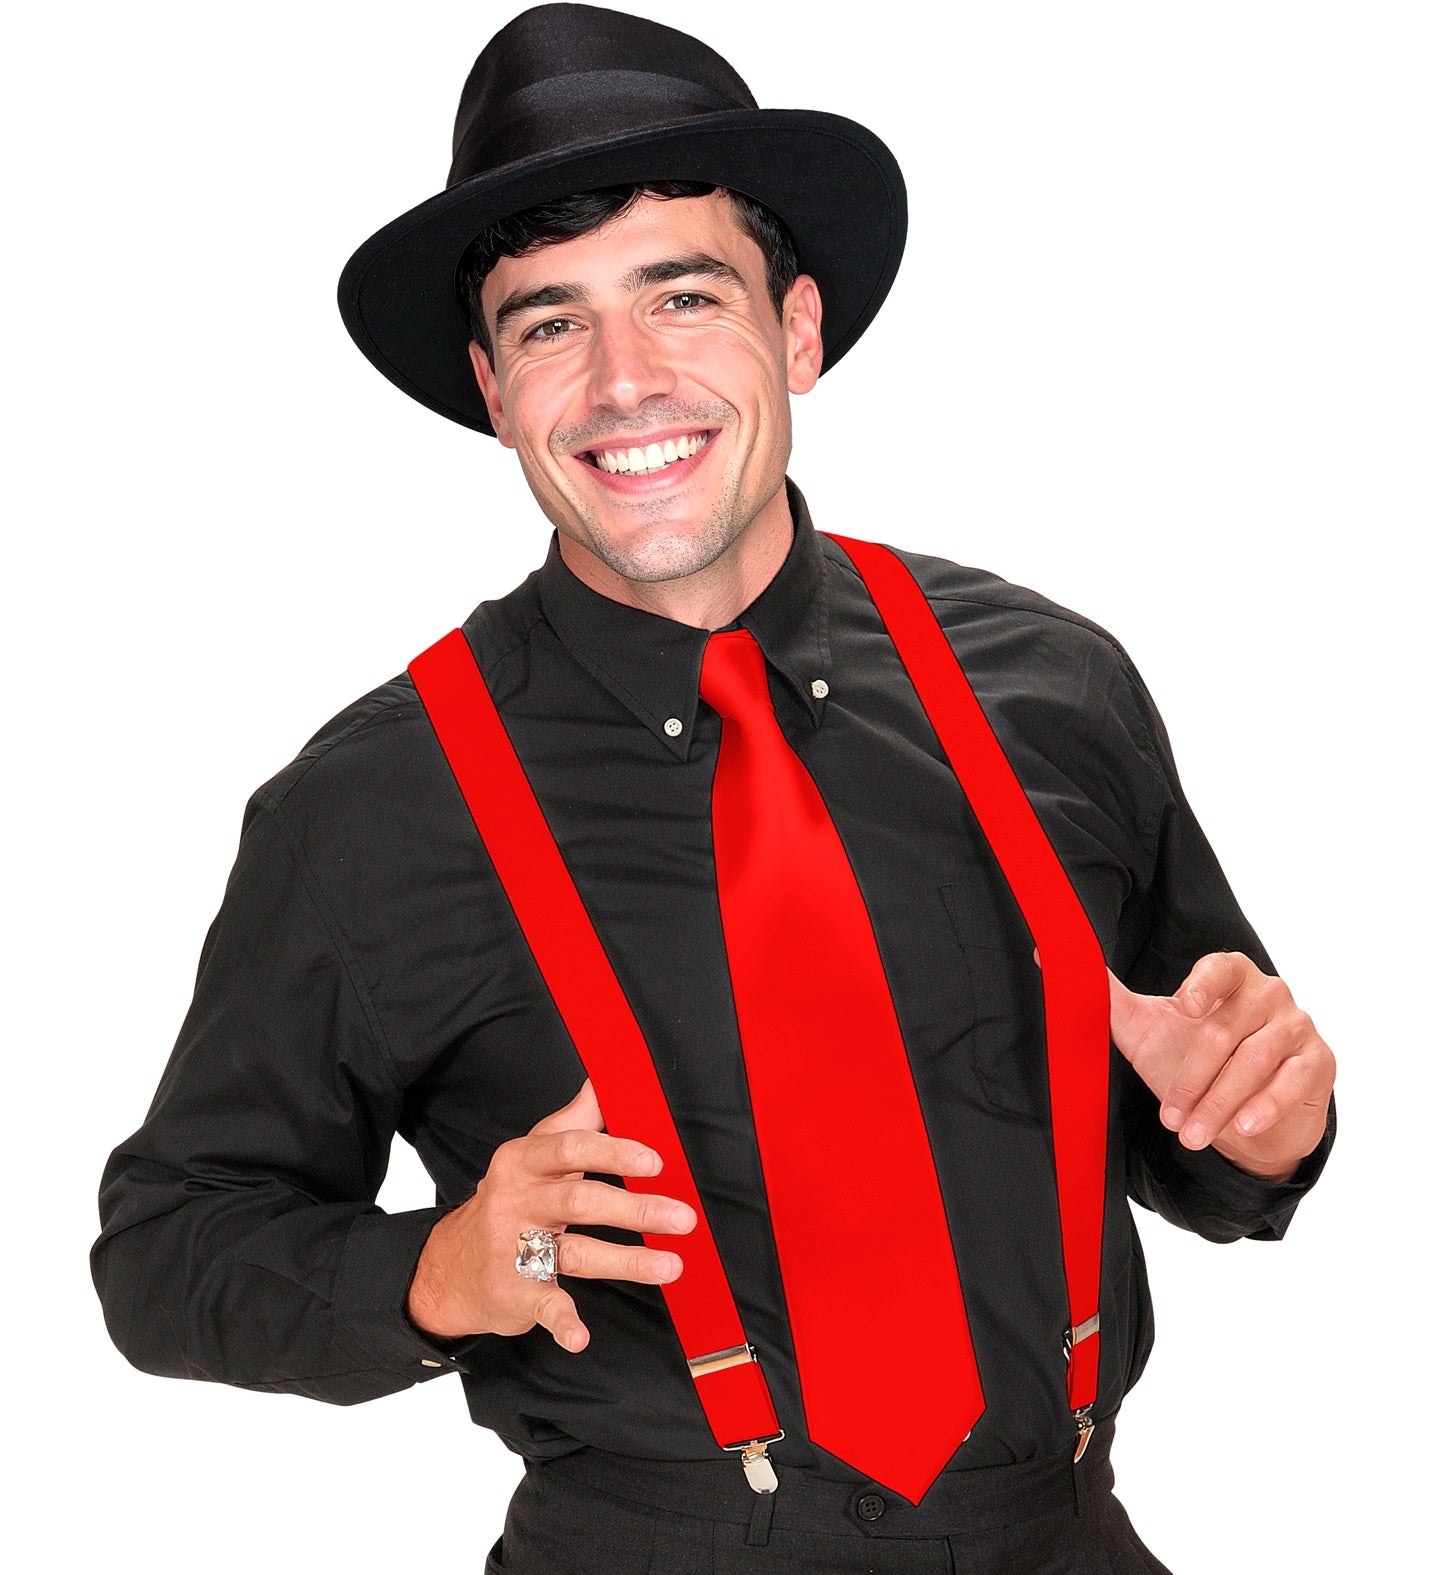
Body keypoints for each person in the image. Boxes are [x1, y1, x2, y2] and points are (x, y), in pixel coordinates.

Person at [93, 6, 1336, 1571]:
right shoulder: (365, 809)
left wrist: (1261, 1126)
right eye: (551, 324)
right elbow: (169, 1251)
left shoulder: (1050, 688)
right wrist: (438, 1271)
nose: (624, 381)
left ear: (796, 331)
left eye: (682, 297)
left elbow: (1210, 1129)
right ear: (493, 387)